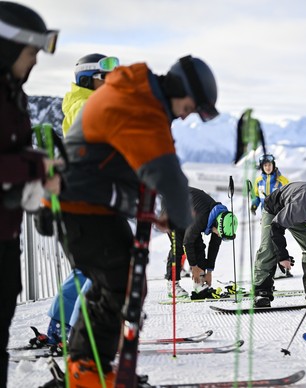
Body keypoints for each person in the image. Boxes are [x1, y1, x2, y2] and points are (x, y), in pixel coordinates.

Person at [50, 54, 220, 387]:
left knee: (122, 284)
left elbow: (153, 157)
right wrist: (180, 216)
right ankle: (85, 369)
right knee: (121, 284)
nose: (187, 116)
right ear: (180, 90)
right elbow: (165, 168)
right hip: (81, 205)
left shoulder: (144, 97)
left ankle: (87, 366)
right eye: (190, 107)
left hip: (92, 204)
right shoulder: (140, 103)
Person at [28, 53, 121, 350]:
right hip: (87, 199)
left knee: (89, 268)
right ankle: (69, 328)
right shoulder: (85, 105)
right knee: (96, 267)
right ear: (87, 79)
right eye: (103, 79)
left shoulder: (85, 103)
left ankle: (64, 324)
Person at [0, 2, 59, 386]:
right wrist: (38, 167)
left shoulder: (12, 93)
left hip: (5, 234)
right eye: (31, 52)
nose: (35, 61)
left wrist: (38, 162)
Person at [164, 186, 238, 299]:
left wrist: (209, 271)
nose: (219, 236)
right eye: (219, 234)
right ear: (217, 226)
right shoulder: (203, 217)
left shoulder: (221, 219)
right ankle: (172, 286)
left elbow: (214, 246)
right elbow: (187, 242)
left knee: (198, 245)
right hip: (172, 209)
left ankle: (199, 283)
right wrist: (193, 266)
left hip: (188, 212)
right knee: (178, 247)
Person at [250, 153, 291, 278]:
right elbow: (256, 196)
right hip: (265, 214)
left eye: (270, 165)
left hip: (279, 214)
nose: (268, 167)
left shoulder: (282, 180)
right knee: (267, 241)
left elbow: (289, 195)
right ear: (262, 167)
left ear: (274, 165)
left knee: (277, 239)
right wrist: (254, 205)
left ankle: (282, 267)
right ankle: (273, 267)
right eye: (265, 165)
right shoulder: (258, 181)